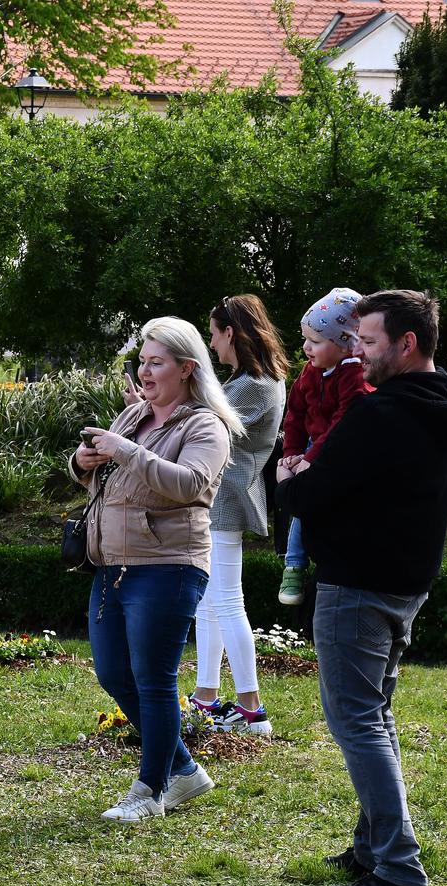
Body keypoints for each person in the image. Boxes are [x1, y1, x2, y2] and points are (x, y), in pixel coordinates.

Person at [277, 290, 447, 886]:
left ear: (406, 343)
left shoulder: (377, 413)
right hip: (406, 581)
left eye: (367, 342)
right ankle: (370, 846)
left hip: (356, 583)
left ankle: (398, 869)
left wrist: (288, 481)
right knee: (376, 713)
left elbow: (310, 496)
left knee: (356, 720)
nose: (357, 353)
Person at [73, 316, 239, 823]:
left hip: (167, 567)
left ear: (187, 368)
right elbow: (101, 480)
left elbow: (189, 484)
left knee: (154, 680)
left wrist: (124, 450)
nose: (145, 372)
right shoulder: (134, 416)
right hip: (111, 565)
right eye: (142, 362)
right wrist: (82, 462)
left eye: (156, 363)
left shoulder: (205, 425)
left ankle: (151, 790)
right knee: (112, 672)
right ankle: (185, 770)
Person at [188, 295, 288, 735]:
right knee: (210, 602)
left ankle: (251, 709)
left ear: (231, 332)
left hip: (227, 498)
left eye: (213, 333)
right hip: (223, 497)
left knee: (226, 601)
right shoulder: (255, 379)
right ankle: (206, 698)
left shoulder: (256, 384)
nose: (212, 343)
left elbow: (206, 423)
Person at [277, 288, 370, 606]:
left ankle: (300, 562)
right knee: (302, 503)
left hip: (334, 446)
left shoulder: (354, 377)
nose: (306, 347)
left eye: (315, 341)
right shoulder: (309, 372)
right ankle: (294, 563)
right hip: (310, 445)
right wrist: (291, 452)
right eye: (305, 338)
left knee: (310, 501)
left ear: (344, 342)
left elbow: (344, 421)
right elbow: (295, 412)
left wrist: (312, 458)